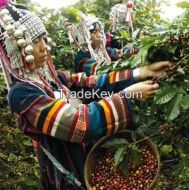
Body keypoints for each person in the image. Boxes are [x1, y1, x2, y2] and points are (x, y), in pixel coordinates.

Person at [0, 3, 171, 190]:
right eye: (33, 41)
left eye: (43, 38)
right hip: (68, 168)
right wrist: (127, 95)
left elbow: (94, 83)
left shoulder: (51, 76)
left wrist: (141, 72)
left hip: (88, 152)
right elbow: (75, 124)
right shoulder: (22, 94)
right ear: (13, 47)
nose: (44, 48)